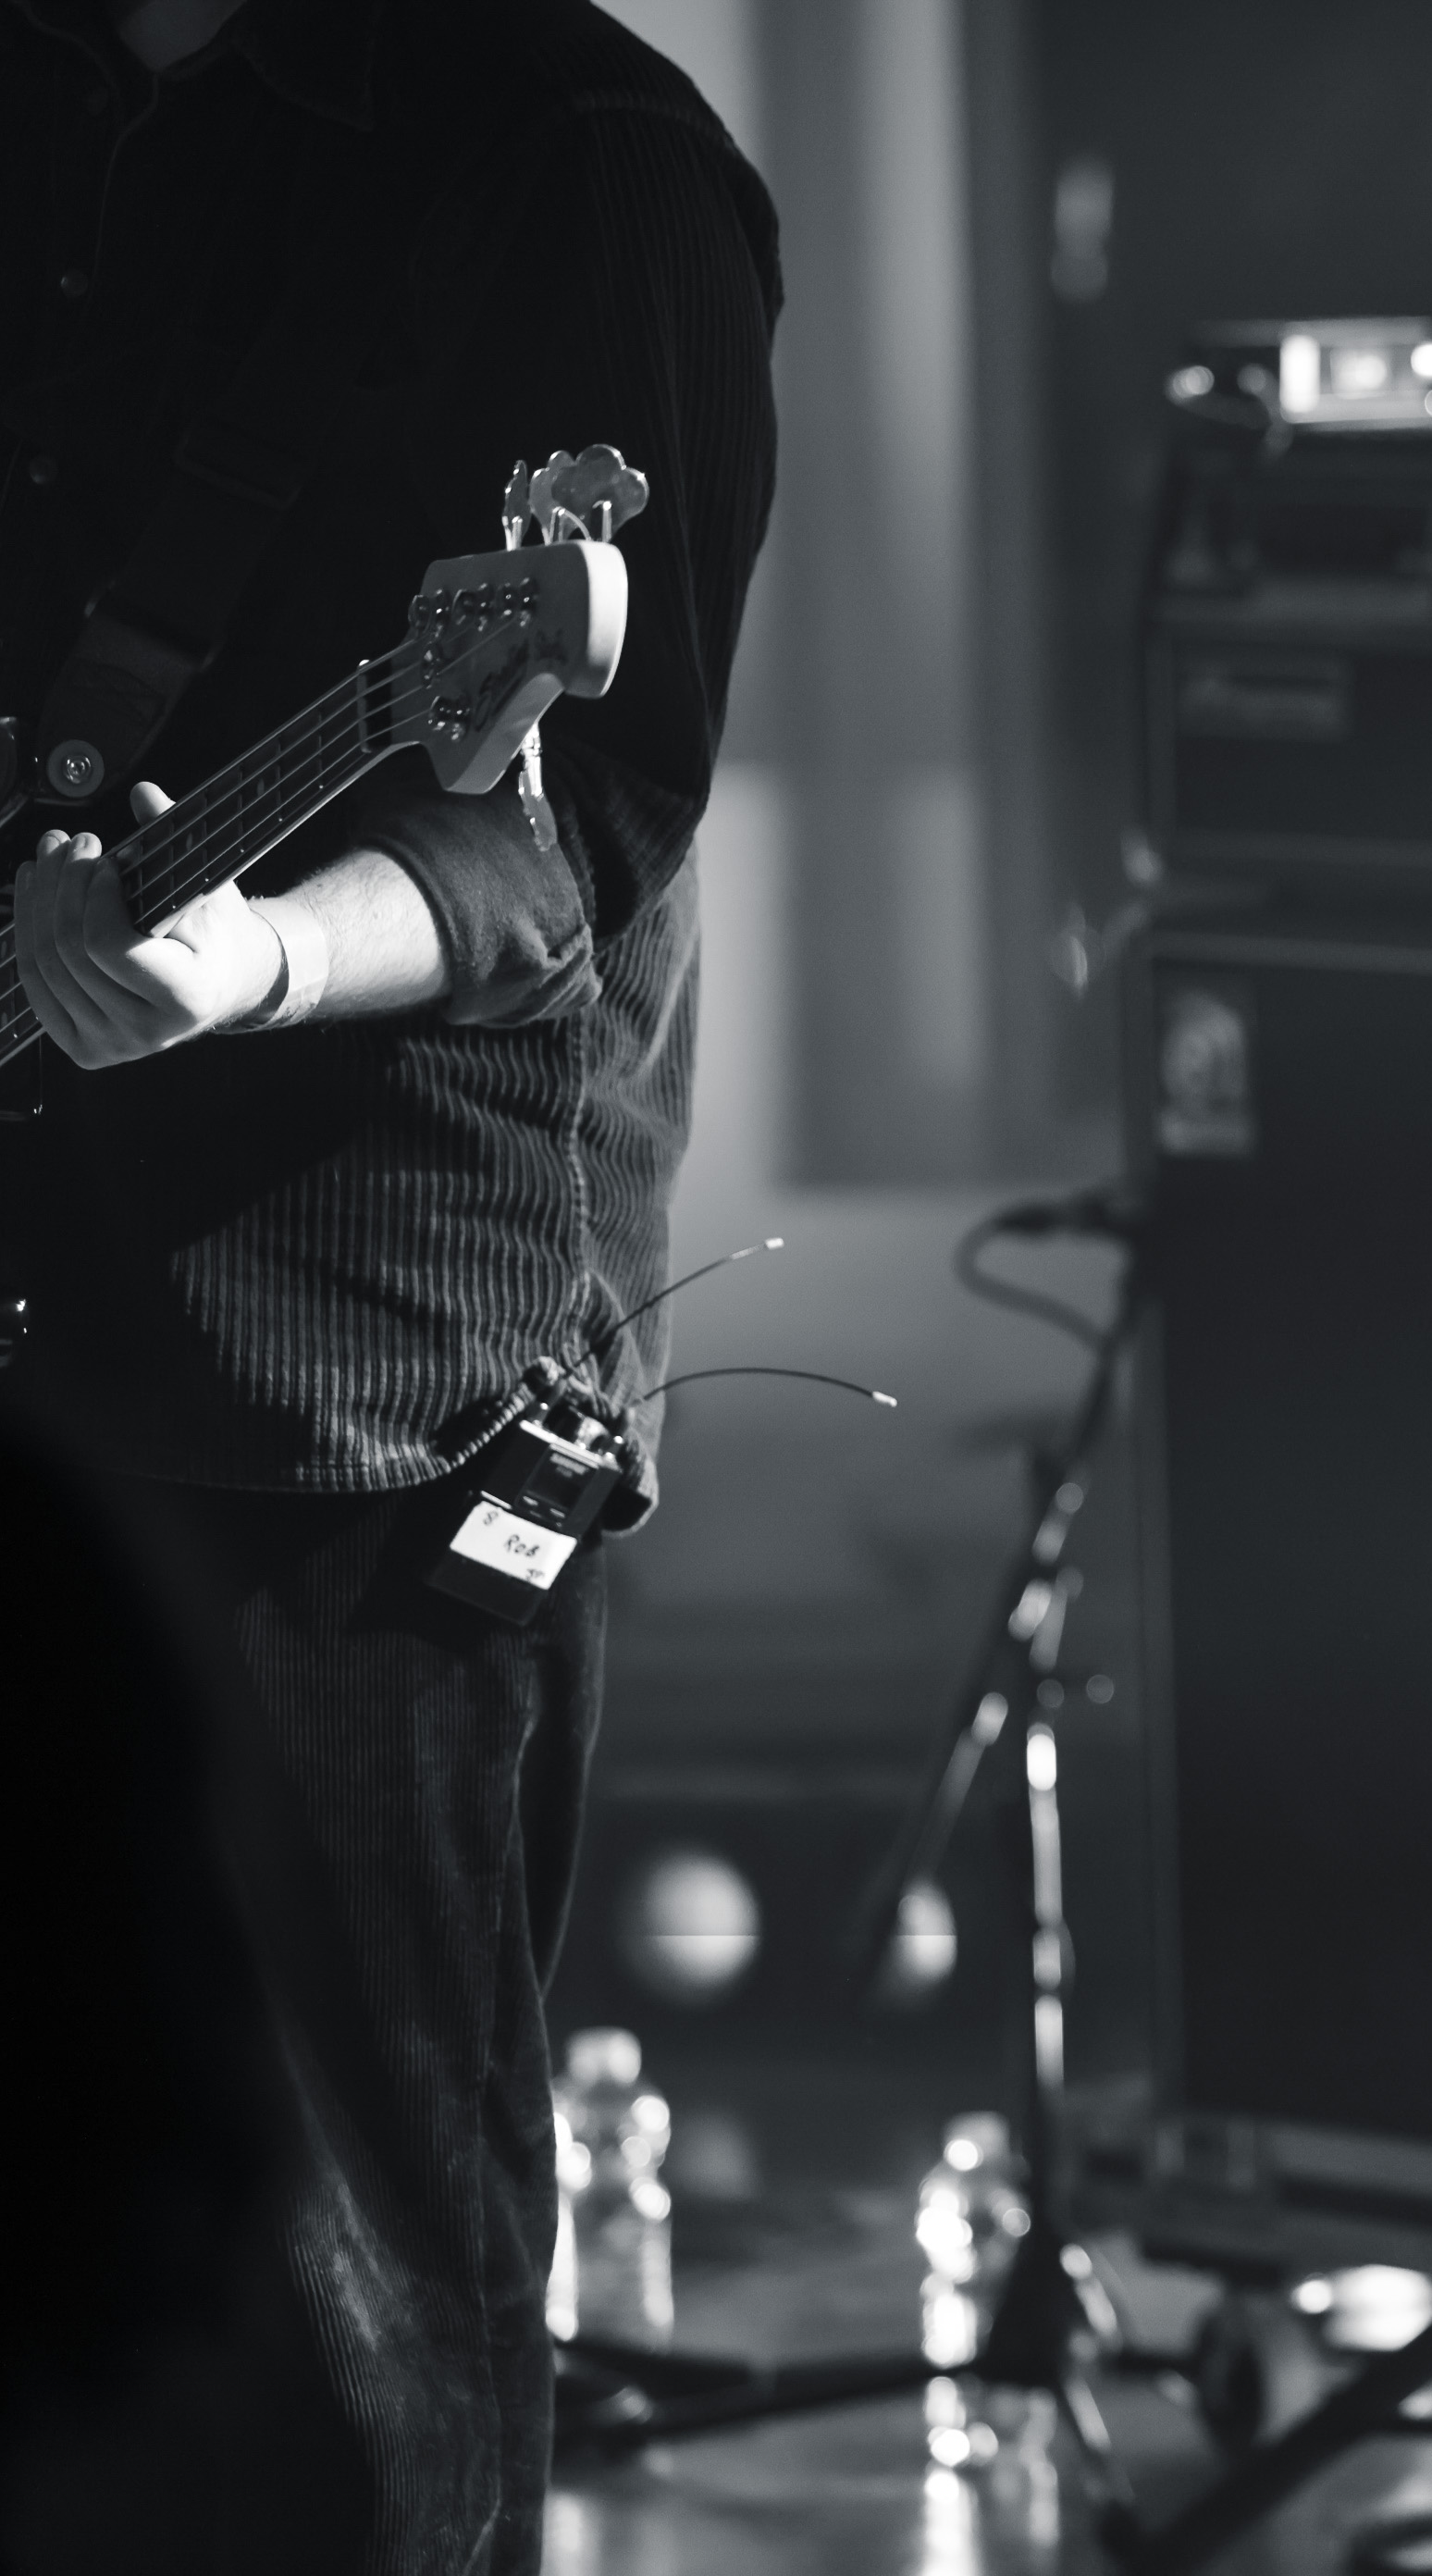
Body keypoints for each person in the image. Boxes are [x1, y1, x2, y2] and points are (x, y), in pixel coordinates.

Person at [0, 0, 775, 2561]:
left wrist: (239, 962)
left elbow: (582, 836)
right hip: (41, 1285)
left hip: (351, 1338)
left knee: (366, 2265)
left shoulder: (573, 167)